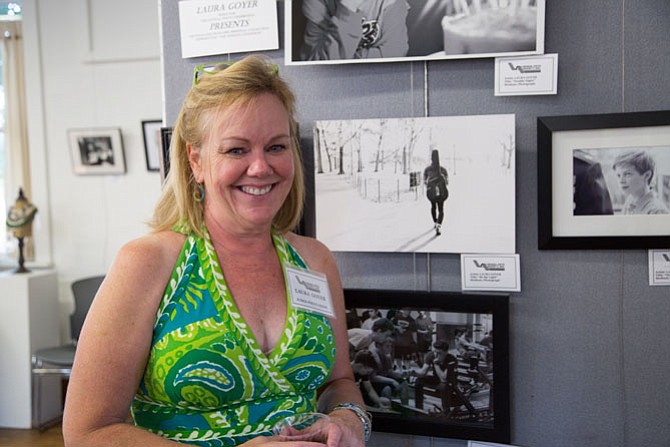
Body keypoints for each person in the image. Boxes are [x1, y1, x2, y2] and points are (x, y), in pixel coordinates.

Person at [63, 55, 369, 447]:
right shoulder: (150, 263)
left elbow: (337, 380)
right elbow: (87, 433)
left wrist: (347, 418)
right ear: (196, 160)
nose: (260, 168)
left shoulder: (314, 260)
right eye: (237, 150)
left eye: (275, 146)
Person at [300, 0, 410, 61]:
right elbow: (316, 64)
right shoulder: (317, 3)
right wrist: (348, 8)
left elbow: (394, 55)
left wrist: (347, 59)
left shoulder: (393, 3)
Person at [612, 150, 669, 214]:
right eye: (618, 175)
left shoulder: (657, 210)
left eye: (628, 174)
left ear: (647, 175)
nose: (621, 181)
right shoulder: (630, 200)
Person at [423, 149, 449, 236]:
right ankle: (439, 224)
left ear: (431, 158)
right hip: (442, 193)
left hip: (432, 194)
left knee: (433, 206)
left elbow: (425, 182)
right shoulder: (443, 170)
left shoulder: (427, 170)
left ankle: (435, 222)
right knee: (441, 209)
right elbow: (447, 182)